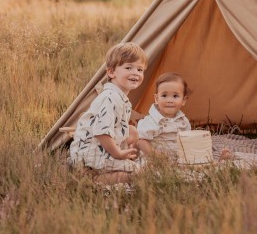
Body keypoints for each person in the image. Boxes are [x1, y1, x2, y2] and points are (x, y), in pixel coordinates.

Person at [68, 42, 146, 184]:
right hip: (93, 155)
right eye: (129, 67)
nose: (135, 73)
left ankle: (116, 165)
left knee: (132, 131)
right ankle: (92, 179)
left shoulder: (119, 96)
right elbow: (101, 132)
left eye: (140, 70)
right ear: (111, 72)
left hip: (99, 149)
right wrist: (118, 153)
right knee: (140, 173)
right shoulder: (110, 98)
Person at [136, 72, 192, 158]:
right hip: (154, 159)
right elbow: (141, 141)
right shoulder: (150, 121)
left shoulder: (184, 121)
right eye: (164, 95)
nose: (169, 100)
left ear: (183, 100)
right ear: (156, 99)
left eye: (175, 96)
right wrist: (154, 156)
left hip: (178, 159)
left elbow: (188, 140)